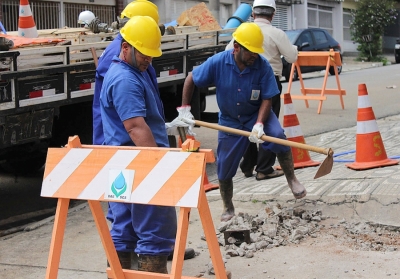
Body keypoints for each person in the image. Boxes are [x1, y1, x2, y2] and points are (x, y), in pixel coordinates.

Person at [175, 22, 306, 222]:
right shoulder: (218, 62)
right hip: (230, 120)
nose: (255, 55)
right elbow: (191, 79)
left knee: (278, 136)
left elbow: (267, 98)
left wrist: (260, 124)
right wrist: (185, 109)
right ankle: (228, 207)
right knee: (225, 165)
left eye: (256, 51)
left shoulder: (262, 66)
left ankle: (292, 179)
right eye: (251, 51)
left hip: (257, 114)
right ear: (237, 48)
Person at [226, 0, 298, 181]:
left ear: (252, 14)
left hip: (244, 82)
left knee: (248, 122)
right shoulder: (276, 33)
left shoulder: (242, 32)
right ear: (273, 15)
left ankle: (248, 165)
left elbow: (228, 51)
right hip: (269, 81)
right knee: (266, 124)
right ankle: (264, 168)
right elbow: (291, 56)